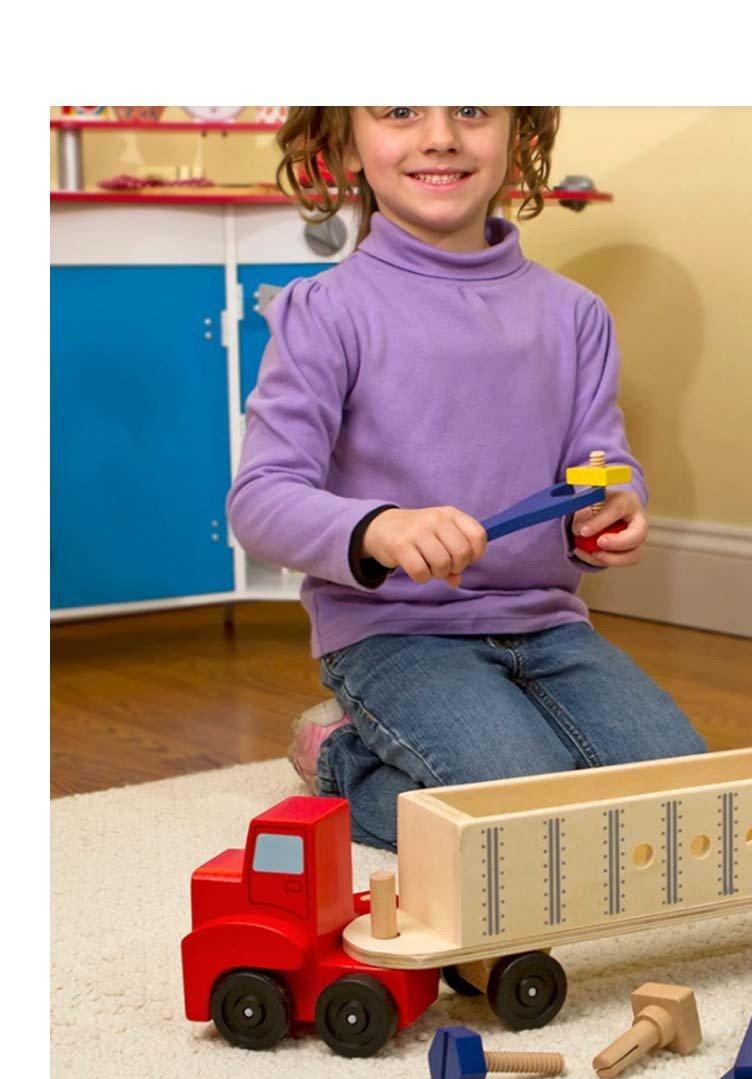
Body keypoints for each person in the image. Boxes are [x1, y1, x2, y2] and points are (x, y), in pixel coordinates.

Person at [228, 106, 705, 849]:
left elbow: (601, 462)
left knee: (688, 800)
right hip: (395, 632)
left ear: (519, 138)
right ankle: (341, 759)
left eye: (473, 109)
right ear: (346, 146)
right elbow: (260, 500)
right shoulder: (324, 311)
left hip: (549, 625)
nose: (441, 136)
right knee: (525, 825)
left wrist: (615, 505)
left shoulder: (576, 315)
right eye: (399, 111)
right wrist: (380, 527)